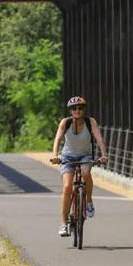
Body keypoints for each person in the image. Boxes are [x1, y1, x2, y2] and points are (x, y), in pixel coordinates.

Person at [50, 96, 108, 237]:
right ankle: (64, 225)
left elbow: (98, 138)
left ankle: (88, 201)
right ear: (71, 110)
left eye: (80, 108)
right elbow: (58, 139)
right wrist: (55, 155)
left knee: (86, 173)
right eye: (74, 108)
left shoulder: (90, 122)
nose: (77, 110)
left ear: (84, 110)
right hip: (67, 157)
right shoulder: (65, 122)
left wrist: (104, 154)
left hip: (85, 156)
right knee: (67, 187)